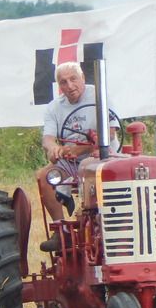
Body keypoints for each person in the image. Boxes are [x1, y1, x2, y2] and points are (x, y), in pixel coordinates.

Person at [38, 61, 120, 250]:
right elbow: (47, 139)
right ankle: (61, 233)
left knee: (97, 172)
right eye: (63, 82)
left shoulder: (100, 97)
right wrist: (53, 148)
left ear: (83, 78)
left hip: (103, 158)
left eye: (73, 79)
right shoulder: (54, 107)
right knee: (45, 177)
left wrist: (80, 149)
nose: (69, 86)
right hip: (72, 162)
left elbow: (111, 132)